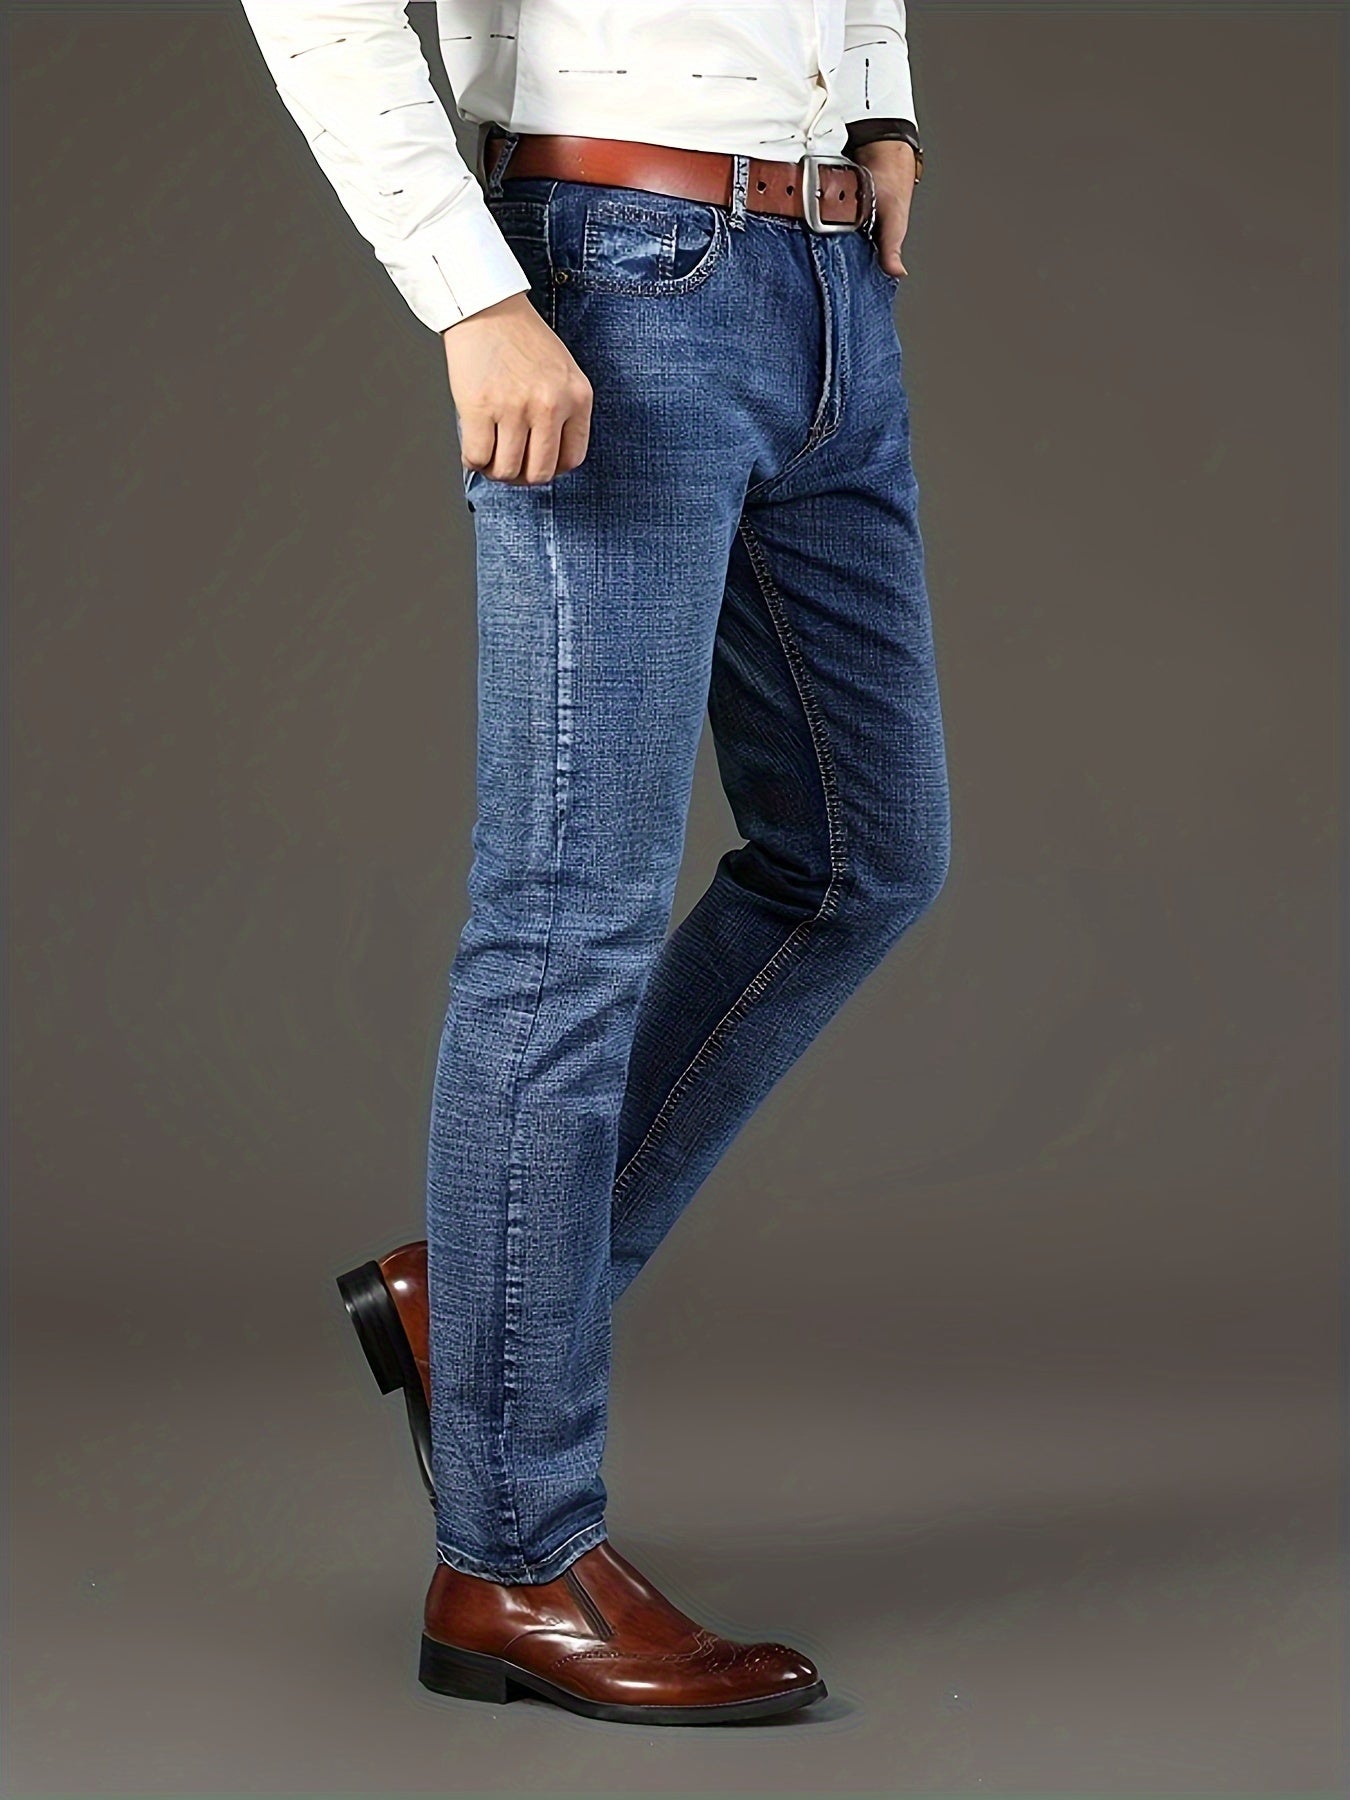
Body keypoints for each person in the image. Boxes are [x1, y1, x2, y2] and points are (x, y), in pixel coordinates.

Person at [239, 0, 949, 1726]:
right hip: (618, 268)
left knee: (863, 856)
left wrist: (878, 108)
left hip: (824, 281)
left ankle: (469, 1305)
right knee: (567, 923)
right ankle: (512, 1557)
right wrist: (474, 296)